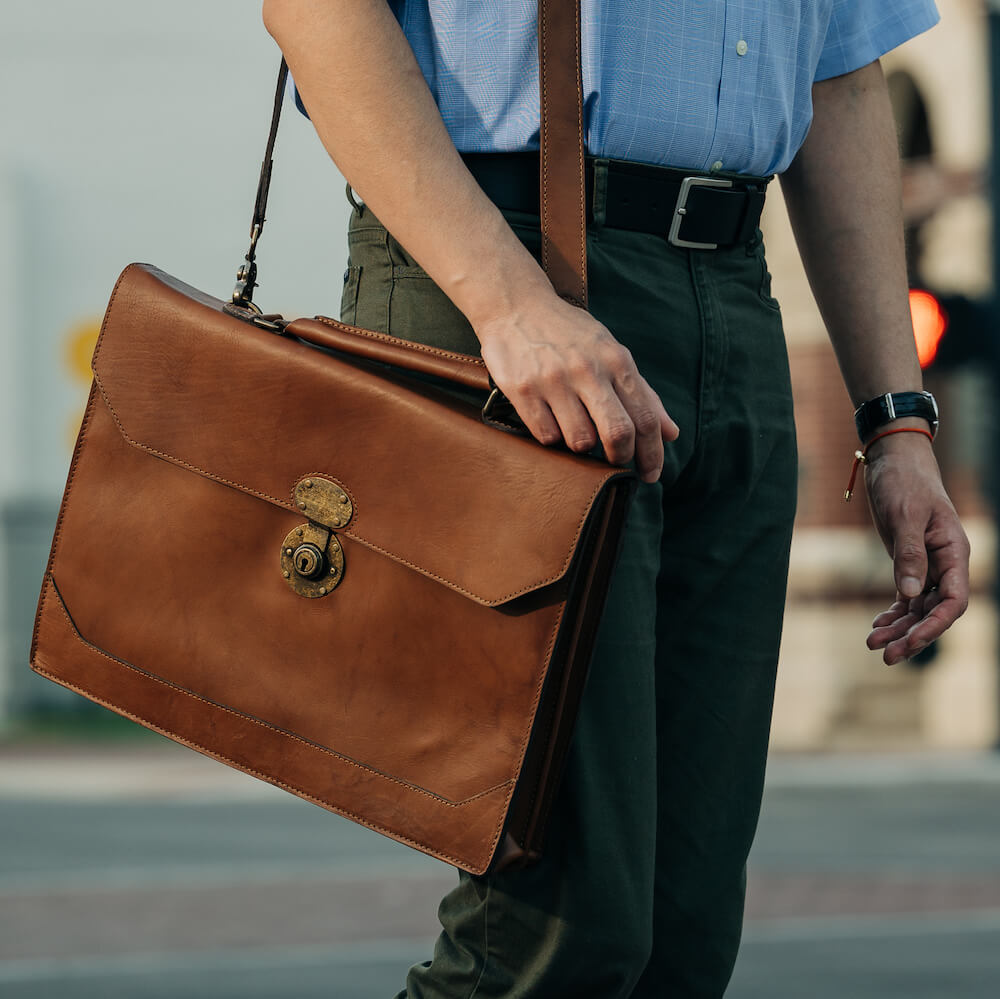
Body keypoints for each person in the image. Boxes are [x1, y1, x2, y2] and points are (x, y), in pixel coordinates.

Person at [262, 2, 971, 996]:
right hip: (503, 267)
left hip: (732, 288)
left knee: (681, 934)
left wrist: (895, 424)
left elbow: (840, 77)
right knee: (557, 930)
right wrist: (509, 306)